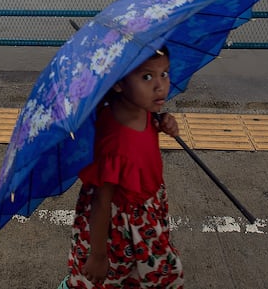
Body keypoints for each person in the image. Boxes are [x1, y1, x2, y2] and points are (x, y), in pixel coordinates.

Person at [60, 48, 184, 289]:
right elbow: (100, 202)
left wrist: (165, 121)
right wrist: (97, 255)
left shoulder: (143, 109)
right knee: (119, 276)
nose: (160, 86)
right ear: (118, 84)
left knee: (133, 275)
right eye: (147, 77)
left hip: (146, 204)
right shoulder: (115, 144)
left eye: (165, 73)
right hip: (122, 222)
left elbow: (149, 128)